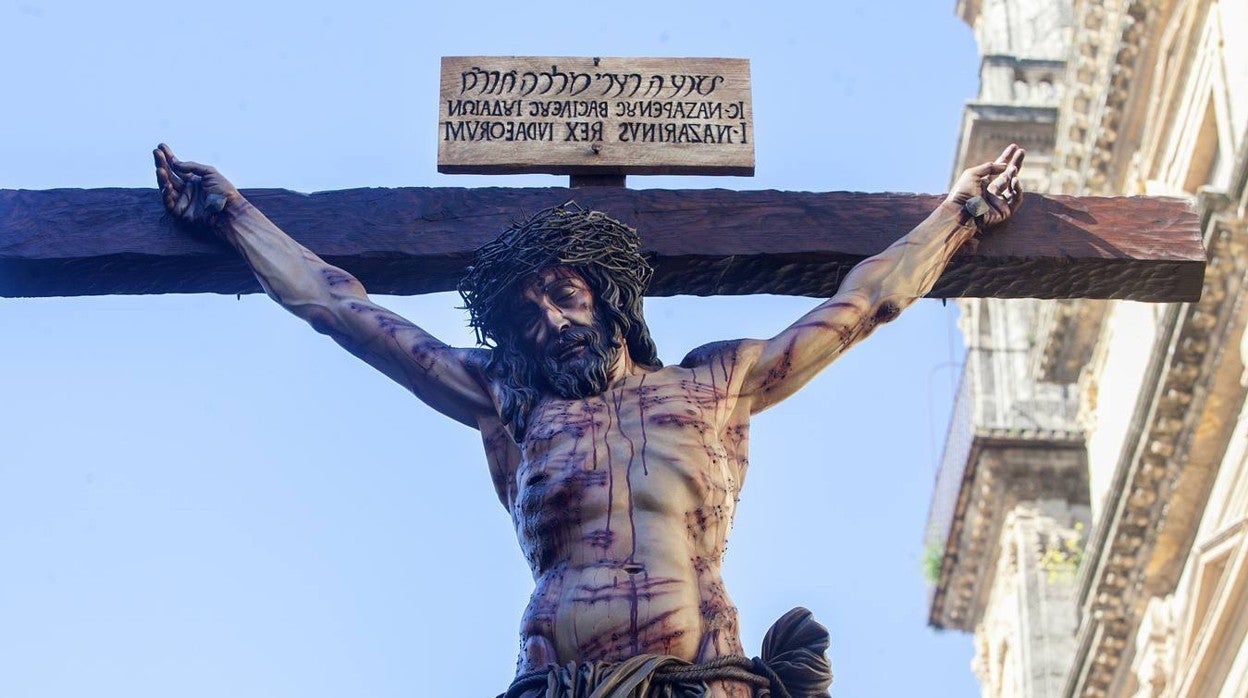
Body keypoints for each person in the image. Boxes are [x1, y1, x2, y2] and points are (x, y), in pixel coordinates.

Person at [154, 143, 1024, 697]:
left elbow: (863, 302)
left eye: (565, 296)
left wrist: (958, 215)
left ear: (606, 298)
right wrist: (235, 217)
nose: (552, 323)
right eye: (529, 315)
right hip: (554, 682)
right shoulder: (508, 401)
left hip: (697, 678)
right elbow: (342, 309)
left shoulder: (715, 382)